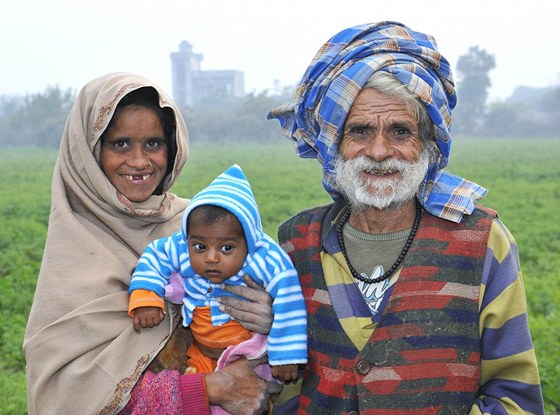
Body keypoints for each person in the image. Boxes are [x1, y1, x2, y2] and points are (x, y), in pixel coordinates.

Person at [268, 21, 545, 414]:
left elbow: (513, 395)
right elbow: (278, 389)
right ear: (334, 146)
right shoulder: (295, 242)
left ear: (427, 146)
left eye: (400, 132)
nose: (379, 151)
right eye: (360, 131)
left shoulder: (483, 241)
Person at [23, 72, 281, 415]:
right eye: (120, 144)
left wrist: (270, 318)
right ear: (89, 153)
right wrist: (211, 388)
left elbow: (269, 331)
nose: (140, 161)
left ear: (172, 147)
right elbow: (67, 396)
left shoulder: (197, 225)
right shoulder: (75, 248)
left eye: (154, 144)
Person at [128, 164, 307, 384]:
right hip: (201, 353)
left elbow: (289, 299)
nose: (211, 258)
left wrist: (286, 356)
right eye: (200, 247)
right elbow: (155, 256)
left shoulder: (264, 260)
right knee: (199, 390)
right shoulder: (183, 248)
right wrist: (146, 298)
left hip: (249, 355)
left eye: (227, 248)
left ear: (248, 241)